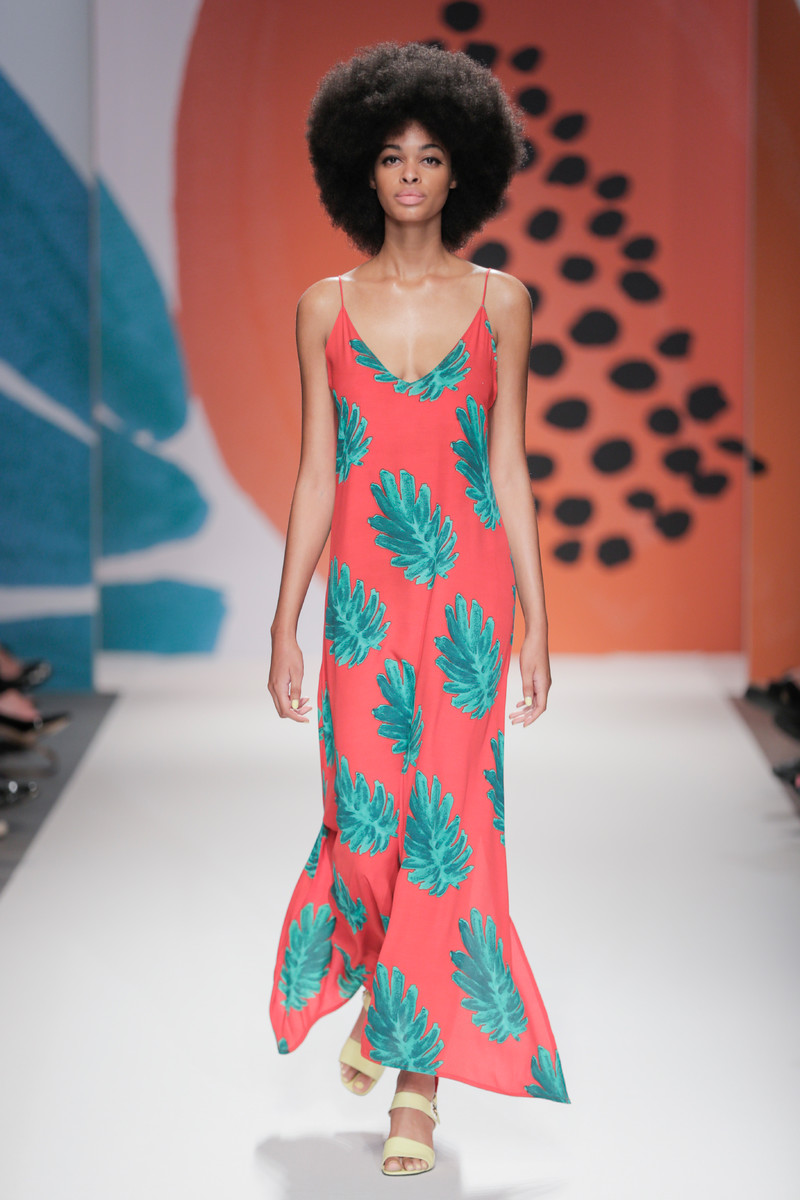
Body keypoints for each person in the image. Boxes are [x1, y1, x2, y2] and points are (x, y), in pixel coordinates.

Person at [267, 41, 569, 1178]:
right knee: (364, 822)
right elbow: (317, 472)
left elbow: (508, 467)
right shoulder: (321, 308)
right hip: (360, 604)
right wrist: (285, 620)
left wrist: (536, 617)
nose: (408, 175)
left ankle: (415, 1092)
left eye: (430, 156)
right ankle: (383, 988)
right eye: (391, 155)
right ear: (361, 167)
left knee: (449, 834)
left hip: (467, 606)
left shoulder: (503, 302)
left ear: (461, 172)